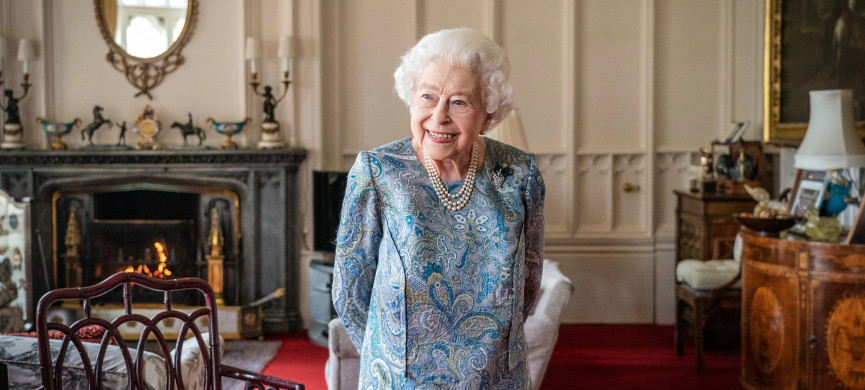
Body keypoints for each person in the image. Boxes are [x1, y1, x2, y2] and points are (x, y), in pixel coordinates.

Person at [332, 27, 545, 389]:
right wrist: (390, 355)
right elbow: (350, 290)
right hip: (400, 380)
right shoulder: (378, 172)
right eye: (428, 97)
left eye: (459, 102)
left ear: (488, 115)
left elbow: (528, 282)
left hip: (496, 379)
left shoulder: (519, 174)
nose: (439, 116)